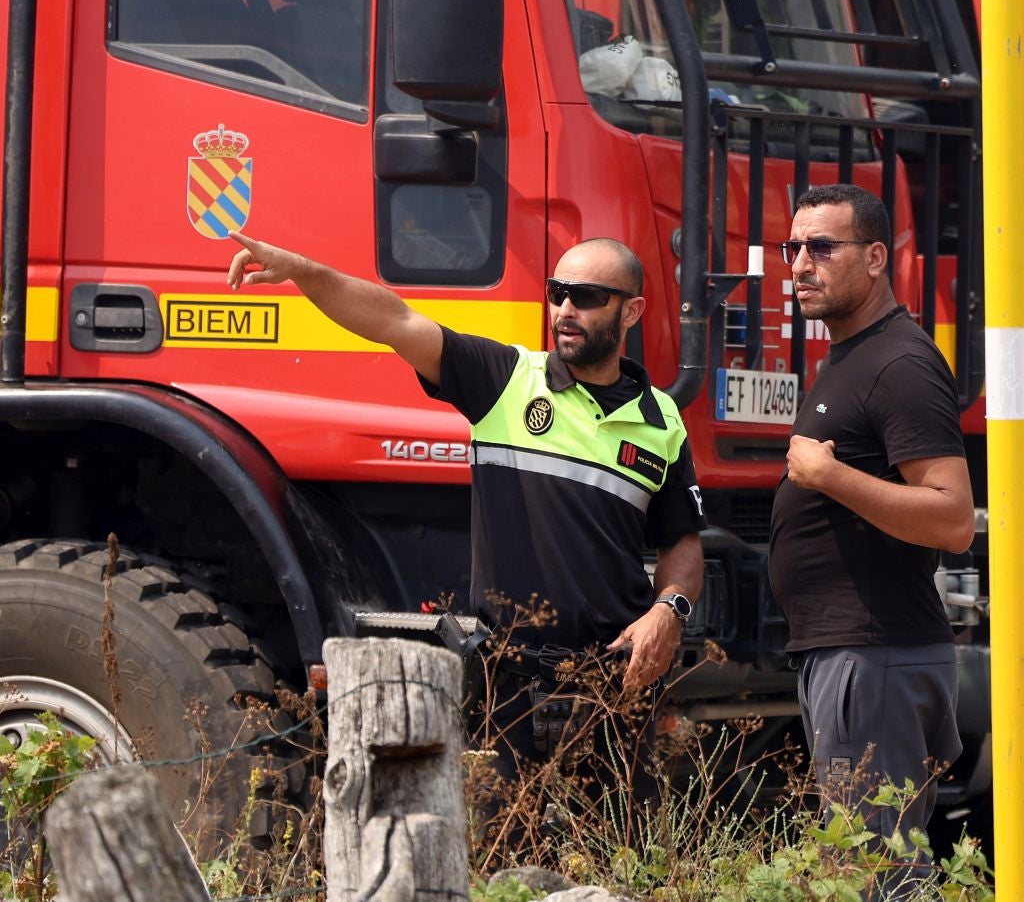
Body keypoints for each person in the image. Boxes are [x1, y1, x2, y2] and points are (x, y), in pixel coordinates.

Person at [224, 231, 706, 732]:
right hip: (507, 683)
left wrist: (669, 610)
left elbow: (683, 542)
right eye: (556, 292)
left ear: (632, 312)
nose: (565, 309)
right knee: (498, 816)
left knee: (621, 816)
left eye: (586, 297)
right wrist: (303, 269)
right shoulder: (506, 380)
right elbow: (395, 320)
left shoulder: (663, 421)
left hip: (615, 684)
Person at [767, 183, 976, 842]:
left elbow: (952, 519)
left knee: (876, 871)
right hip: (847, 654)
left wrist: (830, 477)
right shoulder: (853, 356)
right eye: (793, 247)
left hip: (875, 654)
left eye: (822, 247)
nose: (801, 265)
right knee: (861, 866)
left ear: (877, 257)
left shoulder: (901, 364)